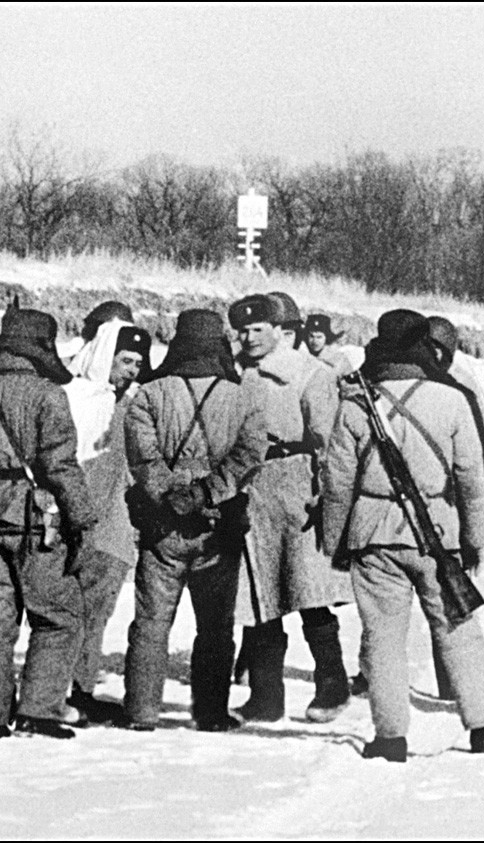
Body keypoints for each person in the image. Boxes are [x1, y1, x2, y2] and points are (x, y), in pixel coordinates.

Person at [322, 309, 484, 762]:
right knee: (459, 631)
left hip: (372, 535)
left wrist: (334, 542)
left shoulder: (357, 402)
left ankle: (390, 737)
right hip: (437, 535)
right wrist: (474, 538)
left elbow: (337, 482)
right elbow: (470, 478)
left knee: (383, 638)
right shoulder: (452, 400)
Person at [0, 307, 97, 739]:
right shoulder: (48, 395)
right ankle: (38, 710)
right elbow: (60, 466)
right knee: (57, 617)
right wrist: (82, 517)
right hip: (36, 519)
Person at [121, 309, 267, 732]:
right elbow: (249, 455)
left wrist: (171, 494)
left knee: (150, 621)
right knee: (216, 625)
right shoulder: (243, 397)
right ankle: (210, 712)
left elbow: (141, 458)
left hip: (161, 524)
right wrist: (206, 493)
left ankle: (141, 712)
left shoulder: (149, 394)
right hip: (219, 524)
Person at [230, 293, 354, 724]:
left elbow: (329, 442)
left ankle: (332, 684)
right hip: (247, 488)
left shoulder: (309, 375)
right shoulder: (233, 373)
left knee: (310, 592)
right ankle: (266, 694)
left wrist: (327, 497)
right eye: (242, 331)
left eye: (256, 330)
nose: (248, 338)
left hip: (296, 488)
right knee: (258, 596)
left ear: (277, 330)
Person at [60, 316, 150, 725]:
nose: (132, 370)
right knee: (69, 611)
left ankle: (80, 689)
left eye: (137, 363)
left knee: (97, 612)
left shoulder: (126, 403)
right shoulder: (79, 397)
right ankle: (56, 690)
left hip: (113, 523)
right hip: (78, 520)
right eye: (125, 360)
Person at [303, 313, 354, 378]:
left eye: (319, 337)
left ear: (326, 337)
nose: (315, 341)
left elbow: (351, 385)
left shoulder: (339, 359)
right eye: (311, 336)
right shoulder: (300, 355)